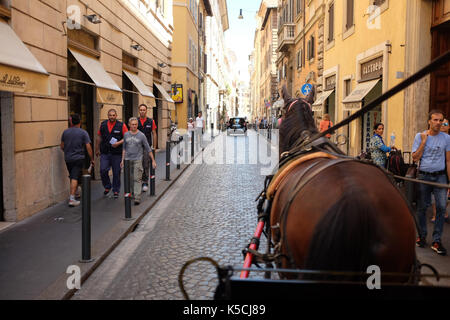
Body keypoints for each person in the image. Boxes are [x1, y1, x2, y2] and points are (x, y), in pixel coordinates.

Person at [412, 110, 450, 255]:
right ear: (429, 121)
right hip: (424, 176)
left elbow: (448, 160)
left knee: (441, 208)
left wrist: (449, 181)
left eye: (441, 120)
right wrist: (423, 141)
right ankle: (422, 236)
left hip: (440, 177)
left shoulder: (447, 138)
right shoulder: (420, 136)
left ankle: (437, 240)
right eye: (435, 120)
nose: (438, 123)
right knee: (422, 207)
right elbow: (415, 158)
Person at [60, 114, 94, 207]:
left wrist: (68, 151)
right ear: (80, 122)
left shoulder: (65, 132)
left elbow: (62, 146)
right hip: (78, 158)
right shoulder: (83, 133)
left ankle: (76, 193)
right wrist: (92, 159)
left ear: (71, 122)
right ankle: (72, 198)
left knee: (72, 175)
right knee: (75, 177)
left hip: (68, 158)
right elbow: (88, 147)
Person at [121, 118, 156, 205]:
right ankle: (132, 193)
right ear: (129, 125)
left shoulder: (141, 135)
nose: (134, 126)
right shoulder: (126, 135)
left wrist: (153, 160)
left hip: (138, 160)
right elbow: (124, 149)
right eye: (132, 124)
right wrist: (122, 160)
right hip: (127, 160)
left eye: (136, 124)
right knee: (130, 178)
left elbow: (148, 148)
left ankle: (137, 197)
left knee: (137, 179)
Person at [96, 109, 128, 199]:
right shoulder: (103, 125)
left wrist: (118, 143)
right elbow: (99, 137)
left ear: (116, 116)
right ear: (108, 115)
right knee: (103, 170)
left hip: (116, 154)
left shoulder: (121, 125)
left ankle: (116, 190)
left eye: (113, 115)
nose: (112, 117)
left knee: (116, 172)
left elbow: (126, 137)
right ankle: (107, 186)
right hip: (105, 153)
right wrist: (97, 149)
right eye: (110, 115)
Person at [431, 118, 450, 223]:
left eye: (445, 124)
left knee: (446, 196)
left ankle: (443, 212)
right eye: (441, 124)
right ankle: (436, 215)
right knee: (435, 194)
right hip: (437, 170)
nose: (443, 125)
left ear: (449, 126)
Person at [137, 104, 157, 193]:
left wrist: (154, 147)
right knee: (137, 165)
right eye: (141, 110)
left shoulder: (150, 121)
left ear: (146, 111)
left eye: (143, 110)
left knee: (145, 164)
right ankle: (138, 182)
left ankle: (145, 182)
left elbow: (154, 133)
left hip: (147, 146)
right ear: (139, 111)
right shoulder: (135, 121)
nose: (142, 111)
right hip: (136, 147)